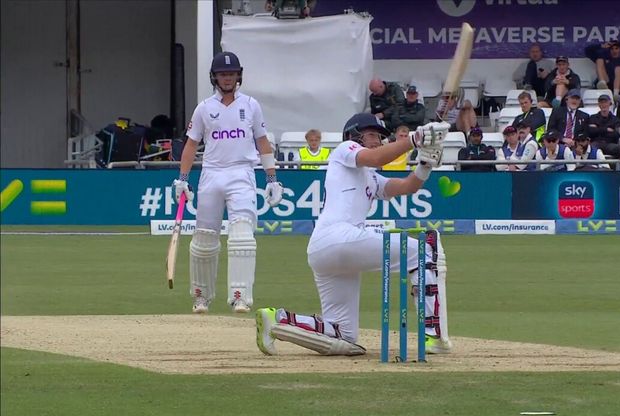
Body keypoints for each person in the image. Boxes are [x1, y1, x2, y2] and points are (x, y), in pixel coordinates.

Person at [253, 113, 453, 357]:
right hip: (340, 237)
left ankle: (276, 319)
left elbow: (407, 187)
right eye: (372, 135)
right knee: (424, 250)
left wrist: (424, 165)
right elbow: (377, 156)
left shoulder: (371, 177)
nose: (377, 141)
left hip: (324, 250)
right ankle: (435, 335)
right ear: (353, 135)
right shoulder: (345, 149)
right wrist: (416, 138)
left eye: (380, 136)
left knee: (343, 335)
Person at [172, 51, 284, 314]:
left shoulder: (251, 105)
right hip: (211, 173)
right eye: (223, 74)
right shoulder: (204, 108)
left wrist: (272, 178)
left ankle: (240, 296)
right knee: (204, 239)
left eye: (231, 73)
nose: (227, 78)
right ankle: (201, 296)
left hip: (242, 173)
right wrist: (183, 179)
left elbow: (262, 142)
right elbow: (191, 144)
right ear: (215, 77)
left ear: (238, 76)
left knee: (243, 236)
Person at [587, 94, 620, 168]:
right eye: (601, 102)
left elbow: (616, 135)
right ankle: (587, 169)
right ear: (599, 104)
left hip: (609, 144)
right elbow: (590, 132)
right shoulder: (592, 118)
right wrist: (606, 129)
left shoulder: (616, 120)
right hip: (596, 143)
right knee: (589, 148)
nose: (604, 104)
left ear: (609, 103)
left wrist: (598, 129)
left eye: (605, 102)